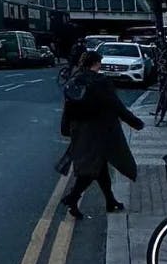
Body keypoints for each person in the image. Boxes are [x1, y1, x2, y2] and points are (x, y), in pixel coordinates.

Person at [59, 49, 144, 218]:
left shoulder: (75, 79)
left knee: (100, 167)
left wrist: (65, 128)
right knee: (93, 169)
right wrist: (134, 122)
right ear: (96, 63)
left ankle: (109, 201)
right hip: (99, 130)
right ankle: (72, 197)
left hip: (80, 129)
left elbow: (68, 107)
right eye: (100, 63)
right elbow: (115, 104)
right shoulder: (100, 81)